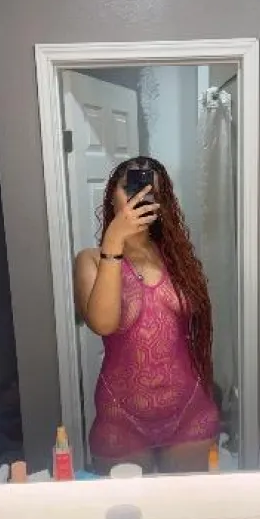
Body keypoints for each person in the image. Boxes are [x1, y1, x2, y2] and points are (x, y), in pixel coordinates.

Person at [74, 156, 219, 475]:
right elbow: (103, 323)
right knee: (125, 506)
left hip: (190, 411)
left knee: (189, 506)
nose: (139, 197)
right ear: (112, 195)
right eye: (131, 188)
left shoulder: (178, 259)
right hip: (120, 419)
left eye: (151, 191)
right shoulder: (91, 260)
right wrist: (114, 239)